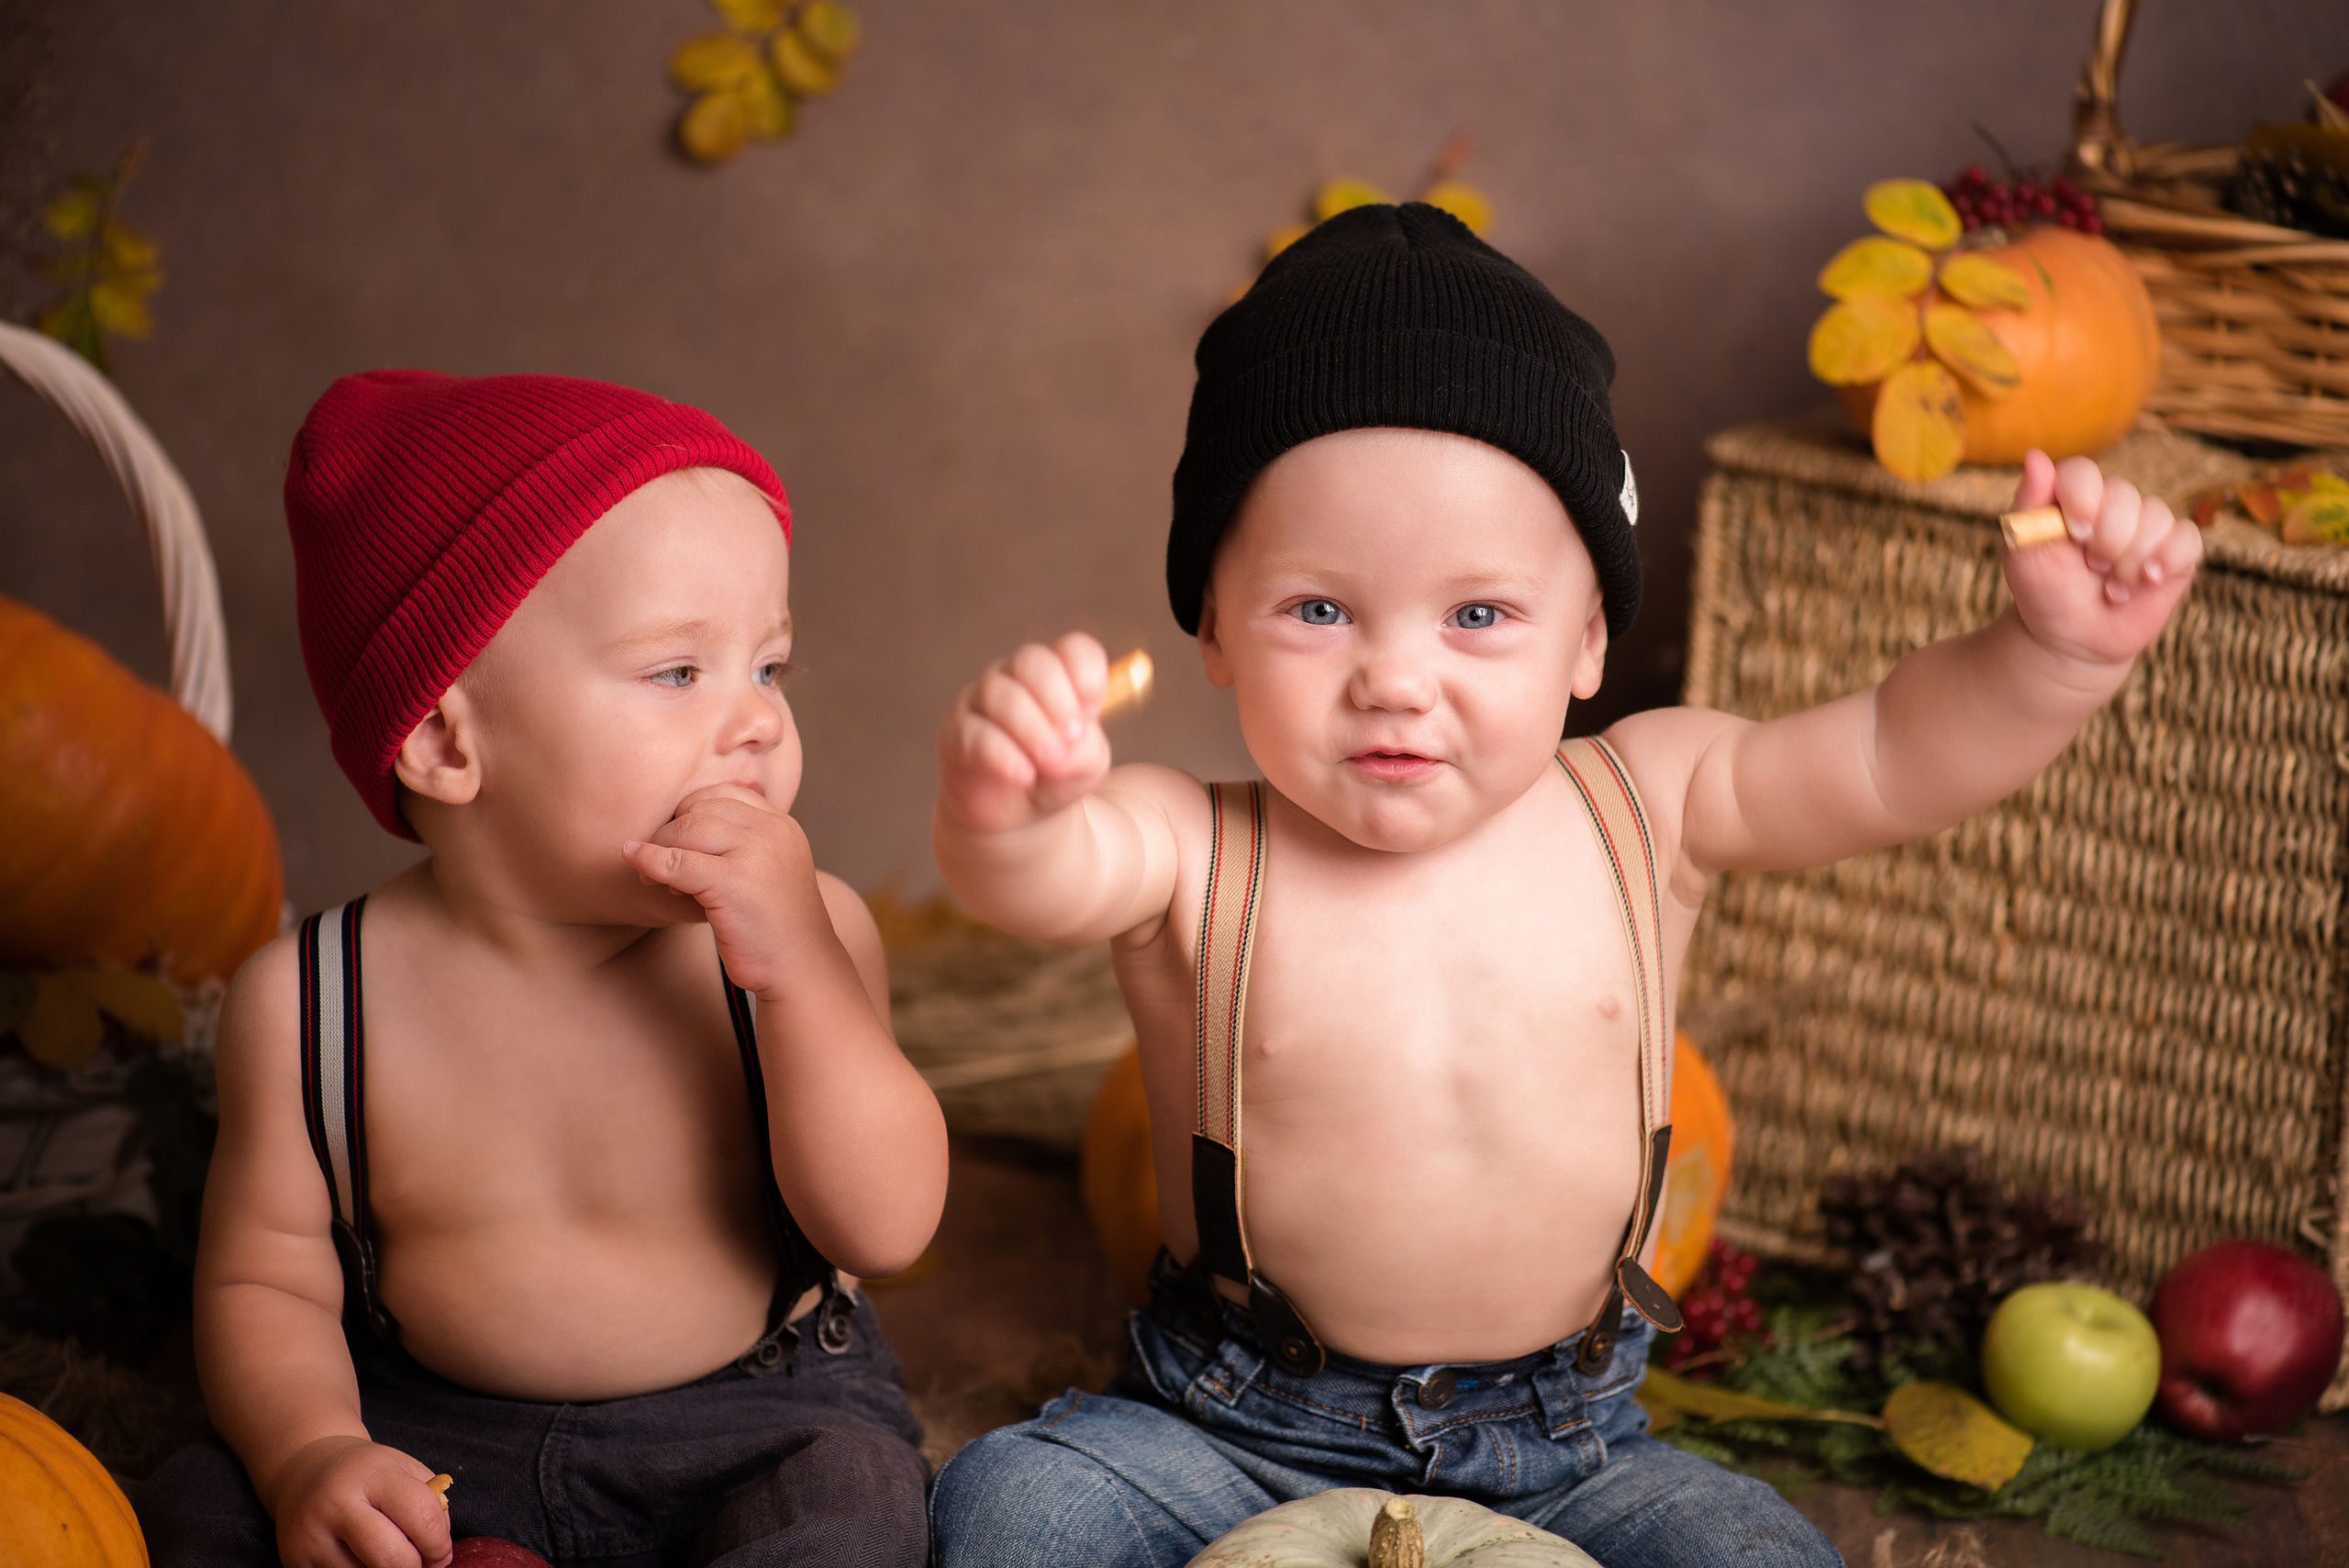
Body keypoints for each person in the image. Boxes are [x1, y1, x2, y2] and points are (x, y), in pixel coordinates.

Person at [926, 203, 2199, 1568]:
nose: (1397, 677)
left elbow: (1892, 757)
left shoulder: (1650, 804)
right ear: (1215, 626)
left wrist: (2054, 661)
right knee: (1015, 1507)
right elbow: (1041, 873)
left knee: (1766, 1558)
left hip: (1573, 1447)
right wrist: (1007, 799)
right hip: (1227, 1424)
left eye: (1478, 613)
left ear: (1589, 635)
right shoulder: (1192, 845)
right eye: (1320, 608)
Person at [139, 372, 948, 1568]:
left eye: (768, 668)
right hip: (427, 1430)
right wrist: (311, 1448)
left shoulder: (804, 936)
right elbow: (267, 1283)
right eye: (681, 672)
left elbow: (885, 1225)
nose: (760, 723)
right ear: (447, 740)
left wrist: (802, 982)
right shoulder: (314, 1000)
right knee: (196, 1502)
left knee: (856, 1508)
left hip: (750, 1418)